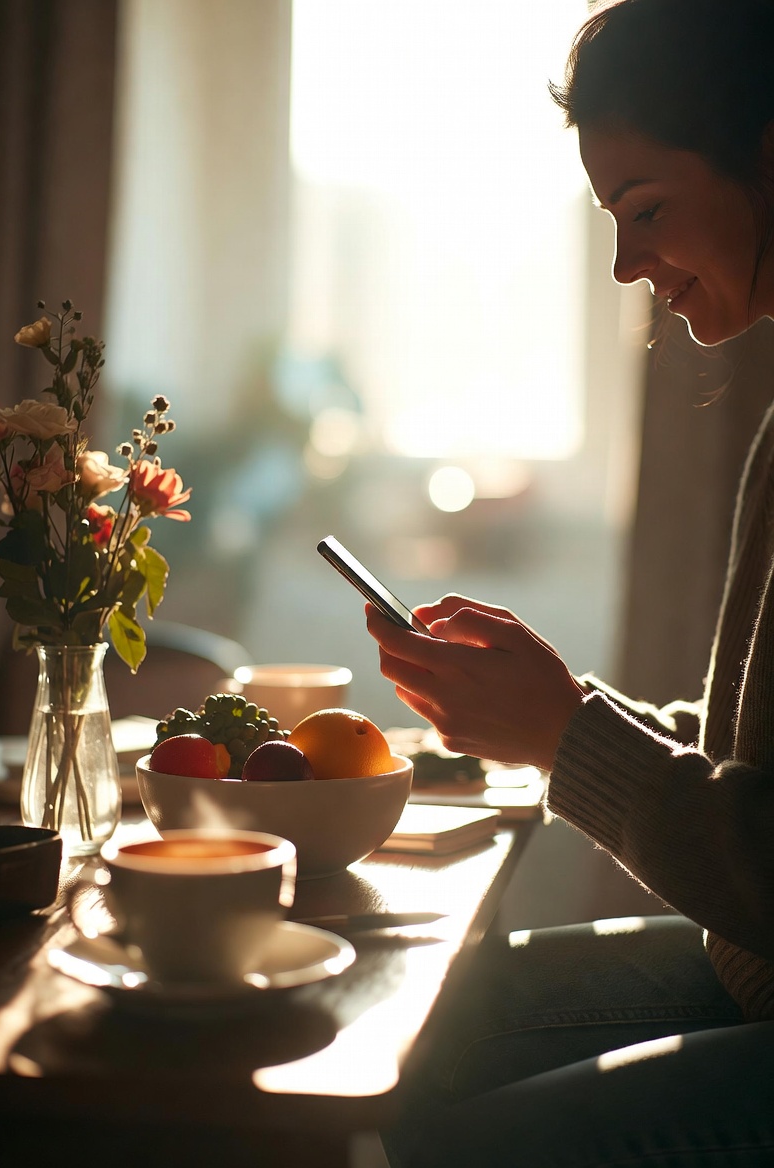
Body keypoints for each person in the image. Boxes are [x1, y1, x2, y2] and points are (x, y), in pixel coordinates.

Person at [364, 1, 774, 1164]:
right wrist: (552, 710)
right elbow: (756, 763)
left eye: (646, 210)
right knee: (420, 1024)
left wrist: (564, 735)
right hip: (744, 969)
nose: (625, 264)